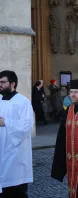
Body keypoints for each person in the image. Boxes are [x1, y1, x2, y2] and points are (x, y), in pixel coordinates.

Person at [0, 70, 34, 198]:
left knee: (15, 188)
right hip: (1, 149)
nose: (0, 85)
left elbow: (26, 126)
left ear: (13, 83)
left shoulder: (22, 101)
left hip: (15, 151)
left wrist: (6, 123)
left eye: (3, 82)